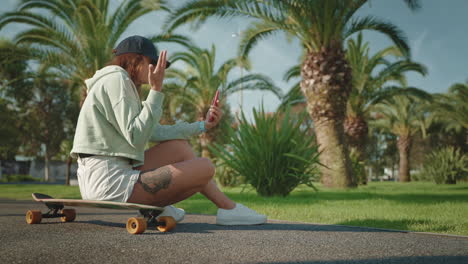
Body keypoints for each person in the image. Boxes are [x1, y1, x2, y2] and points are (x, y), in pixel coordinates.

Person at [70, 35, 267, 225]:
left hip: (109, 174)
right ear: (135, 59)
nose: (158, 69)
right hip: (109, 182)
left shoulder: (118, 82)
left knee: (179, 148)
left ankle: (222, 209)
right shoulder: (117, 80)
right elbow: (136, 137)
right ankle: (227, 209)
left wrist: (202, 126)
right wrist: (155, 91)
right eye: (153, 63)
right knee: (205, 167)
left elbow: (154, 132)